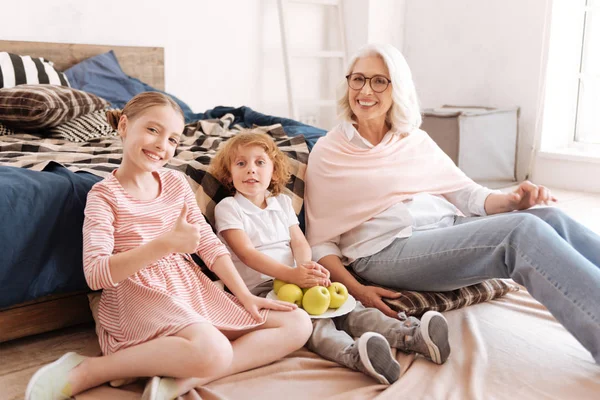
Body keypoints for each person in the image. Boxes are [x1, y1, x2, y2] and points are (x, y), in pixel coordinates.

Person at [304, 43, 600, 365]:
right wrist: (355, 290)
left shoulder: (412, 138)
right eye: (358, 79)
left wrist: (513, 199)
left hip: (446, 227)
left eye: (379, 81)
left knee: (549, 218)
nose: (365, 90)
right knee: (520, 232)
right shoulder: (329, 151)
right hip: (385, 250)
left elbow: (467, 195)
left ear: (397, 88)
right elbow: (321, 243)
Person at [25, 92, 313, 400]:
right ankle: (91, 370)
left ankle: (178, 381)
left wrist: (245, 297)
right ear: (124, 126)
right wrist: (164, 245)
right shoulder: (103, 195)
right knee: (214, 349)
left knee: (297, 323)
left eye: (173, 139)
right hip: (138, 295)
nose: (162, 145)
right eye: (152, 130)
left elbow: (209, 245)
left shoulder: (176, 182)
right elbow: (96, 275)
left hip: (188, 288)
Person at [210, 131, 451, 386]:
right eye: (241, 164)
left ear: (273, 172)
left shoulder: (281, 202)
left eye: (260, 163)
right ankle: (354, 354)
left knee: (347, 306)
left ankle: (411, 336)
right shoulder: (228, 208)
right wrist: (291, 275)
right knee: (312, 322)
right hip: (264, 289)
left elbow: (299, 242)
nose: (251, 170)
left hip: (297, 278)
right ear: (229, 174)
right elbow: (247, 254)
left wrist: (306, 268)